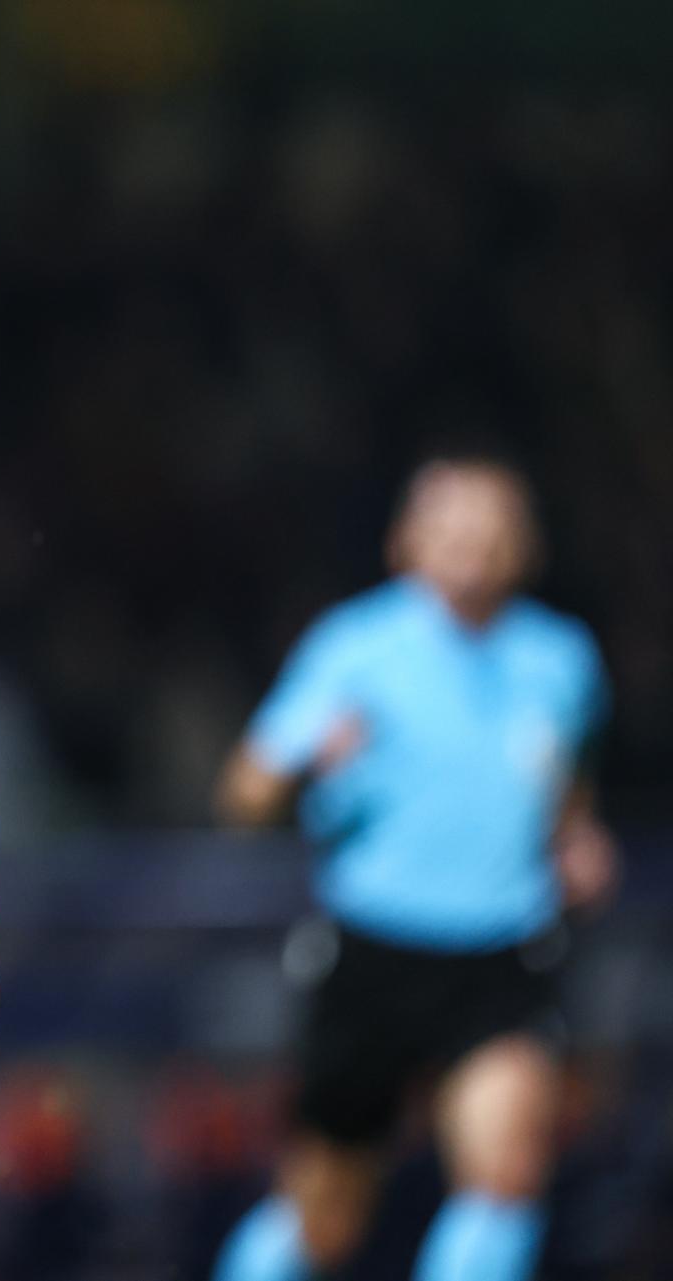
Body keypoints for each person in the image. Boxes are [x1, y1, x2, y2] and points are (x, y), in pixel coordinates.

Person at [210, 456, 619, 1281]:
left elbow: (565, 789)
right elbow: (242, 793)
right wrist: (302, 767)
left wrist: (578, 842)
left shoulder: (562, 660)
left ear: (525, 545)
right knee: (322, 1225)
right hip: (374, 953)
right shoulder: (354, 649)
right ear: (409, 541)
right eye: (453, 522)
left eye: (494, 525)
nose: (475, 542)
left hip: (504, 953)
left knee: (505, 1180)